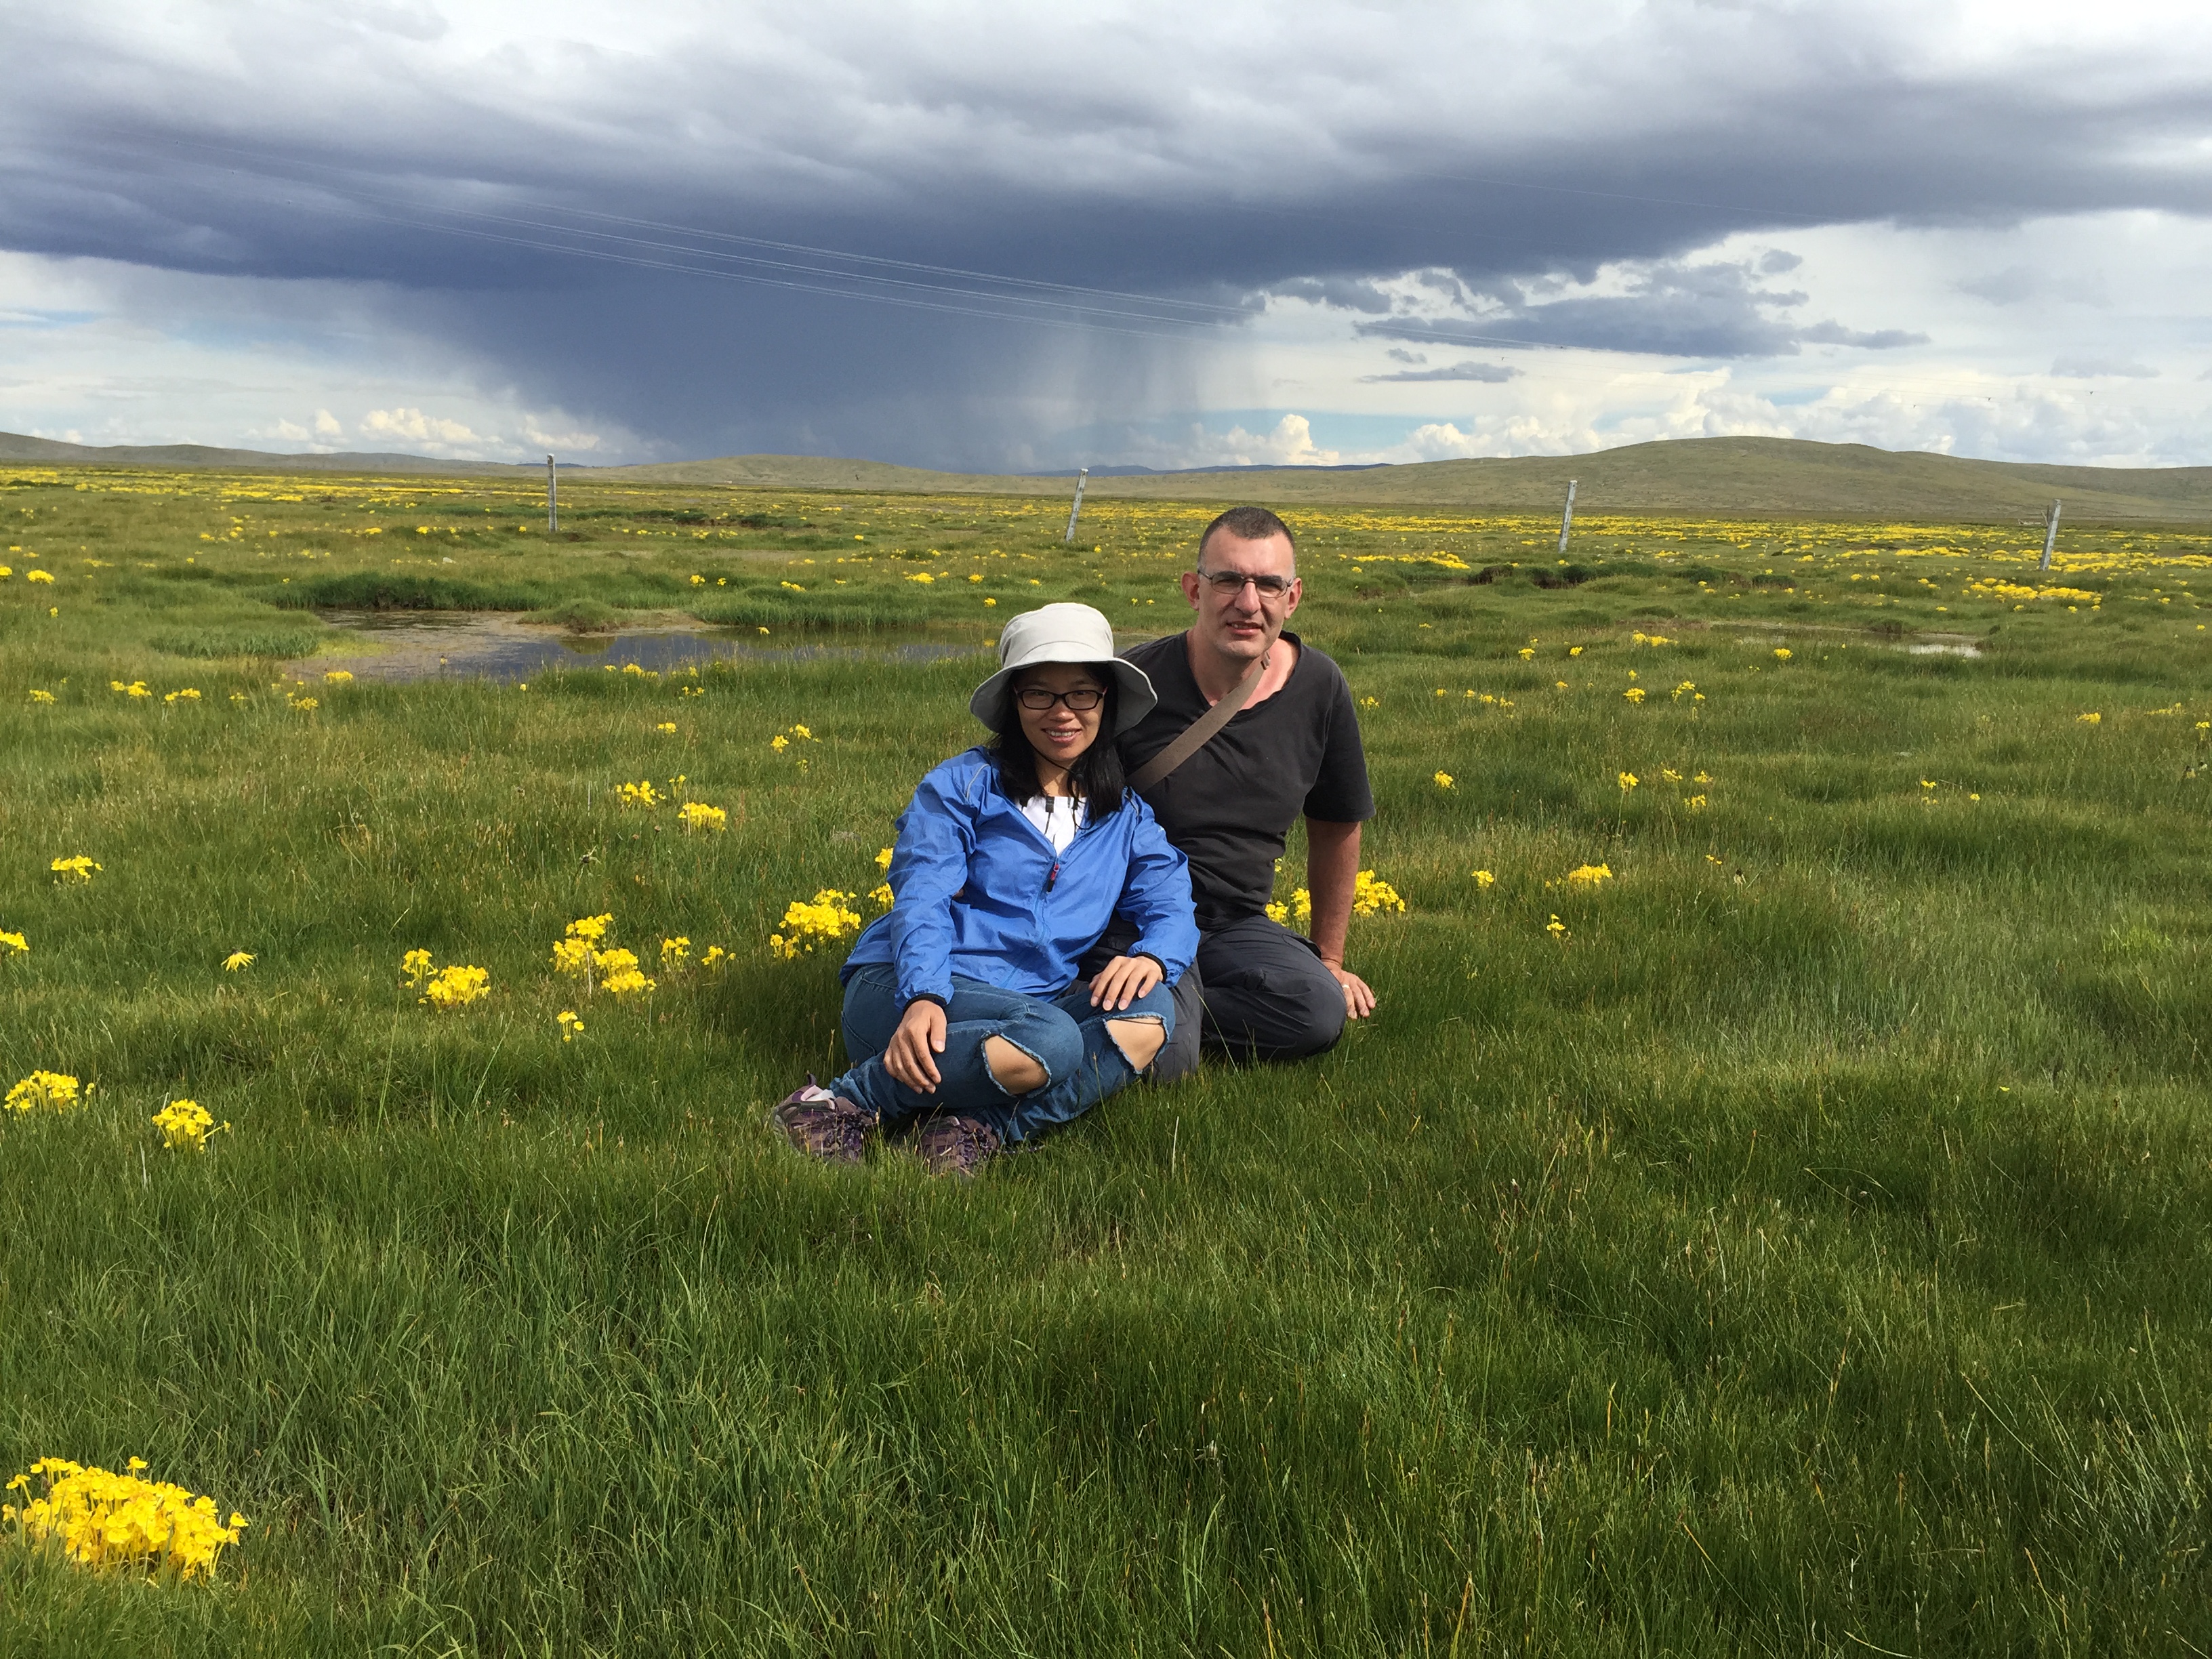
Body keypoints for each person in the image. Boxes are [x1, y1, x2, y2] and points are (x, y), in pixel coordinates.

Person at [774, 602, 1197, 1177]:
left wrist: (1154, 954)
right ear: (1013, 703)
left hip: (1030, 1007)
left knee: (1151, 1013)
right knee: (1053, 1040)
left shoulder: (1125, 816)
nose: (1063, 713)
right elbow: (922, 895)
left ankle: (976, 1129)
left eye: (1081, 693)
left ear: (1107, 700)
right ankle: (843, 1102)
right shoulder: (959, 786)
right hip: (904, 988)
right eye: (1040, 694)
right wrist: (924, 993)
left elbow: (1172, 899)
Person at [1093, 504, 1376, 1080]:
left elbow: (1338, 823)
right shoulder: (1131, 683)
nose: (1248, 603)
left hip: (1233, 923)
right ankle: (1150, 1018)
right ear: (1194, 590)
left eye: (1268, 584)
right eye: (1228, 581)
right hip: (1129, 917)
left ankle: (1161, 1015)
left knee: (1316, 1012)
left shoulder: (1320, 687)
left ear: (1292, 597)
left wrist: (1329, 960)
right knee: (1167, 1067)